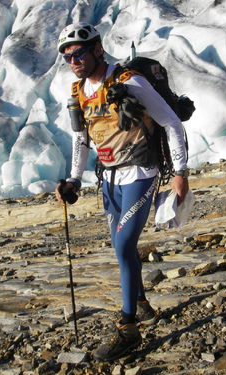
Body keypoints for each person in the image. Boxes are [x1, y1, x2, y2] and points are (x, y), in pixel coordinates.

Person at [55, 22, 189, 362]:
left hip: (142, 173)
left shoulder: (130, 82)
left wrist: (180, 173)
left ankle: (127, 328)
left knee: (124, 243)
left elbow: (171, 122)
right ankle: (142, 304)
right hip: (109, 179)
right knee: (120, 248)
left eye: (79, 53)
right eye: (68, 56)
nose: (74, 61)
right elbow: (81, 139)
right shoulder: (79, 93)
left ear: (97, 49)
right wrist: (73, 179)